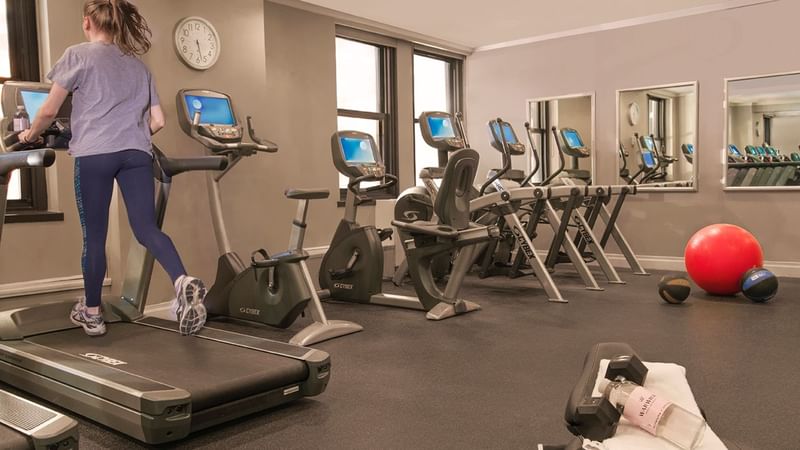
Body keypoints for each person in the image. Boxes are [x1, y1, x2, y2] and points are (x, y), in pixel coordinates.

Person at [18, 0, 206, 337]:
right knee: (146, 228)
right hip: (136, 154)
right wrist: (129, 135)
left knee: (95, 235)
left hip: (95, 155)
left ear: (88, 22)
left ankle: (92, 313)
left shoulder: (78, 54)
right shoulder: (139, 67)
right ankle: (182, 279)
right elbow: (158, 121)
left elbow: (48, 111)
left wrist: (30, 134)